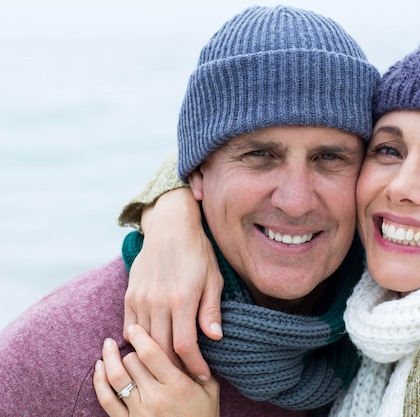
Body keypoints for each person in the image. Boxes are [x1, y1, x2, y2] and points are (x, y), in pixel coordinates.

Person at [106, 33, 420, 416]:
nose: (402, 187)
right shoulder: (391, 311)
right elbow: (238, 139)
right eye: (388, 150)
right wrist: (172, 208)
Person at [0, 5, 379, 417]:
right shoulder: (54, 366)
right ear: (195, 172)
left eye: (329, 158)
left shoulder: (392, 328)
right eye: (259, 155)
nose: (296, 200)